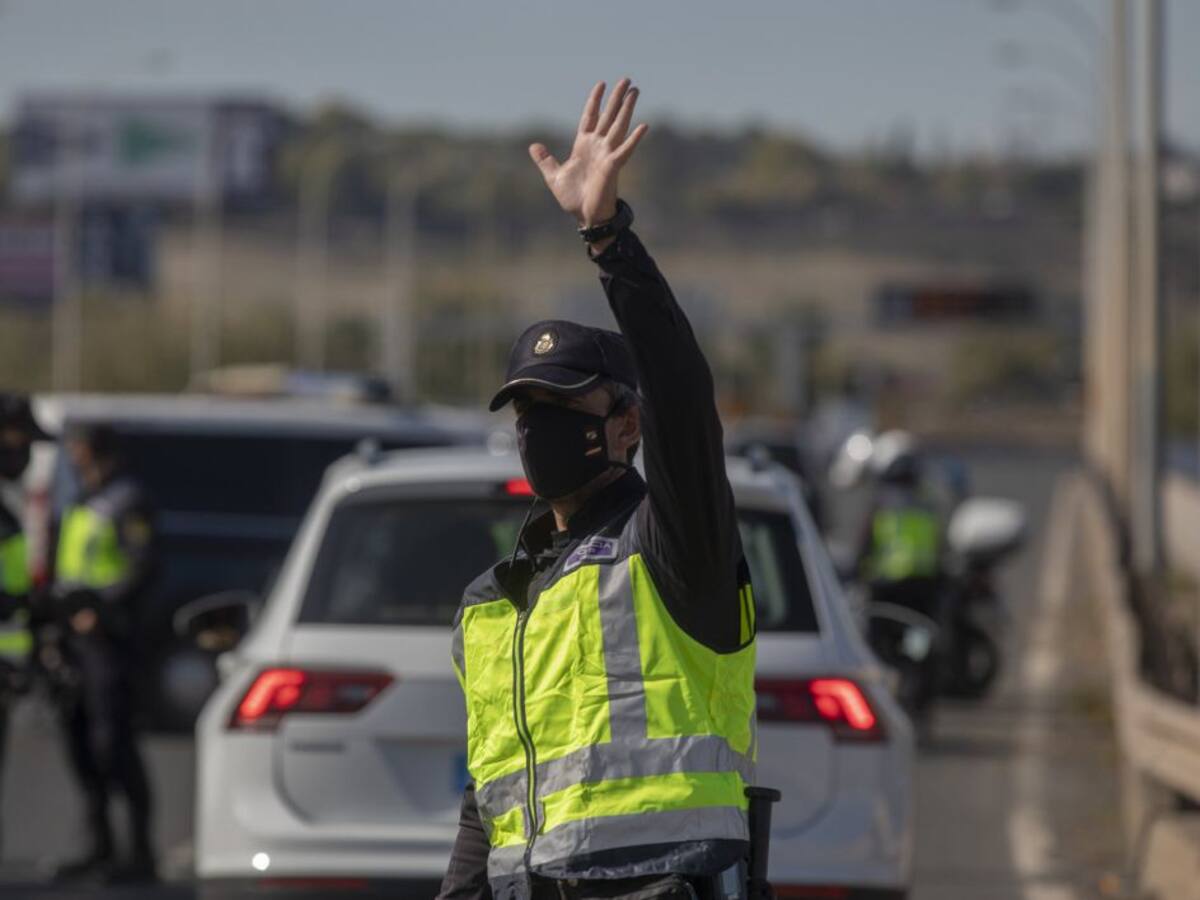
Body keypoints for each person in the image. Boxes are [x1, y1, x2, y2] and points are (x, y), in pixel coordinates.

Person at [438, 79, 758, 900]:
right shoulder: (490, 603)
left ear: (627, 426)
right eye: (529, 408)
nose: (539, 425)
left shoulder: (671, 545)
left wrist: (606, 237)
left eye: (566, 405)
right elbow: (489, 802)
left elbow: (684, 398)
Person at [51, 423, 157, 883]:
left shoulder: (128, 500)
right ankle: (100, 846)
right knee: (78, 744)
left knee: (113, 743)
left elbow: (143, 564)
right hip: (72, 639)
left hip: (110, 640)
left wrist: (103, 610)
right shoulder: (82, 502)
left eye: (82, 452)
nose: (76, 461)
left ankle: (139, 853)